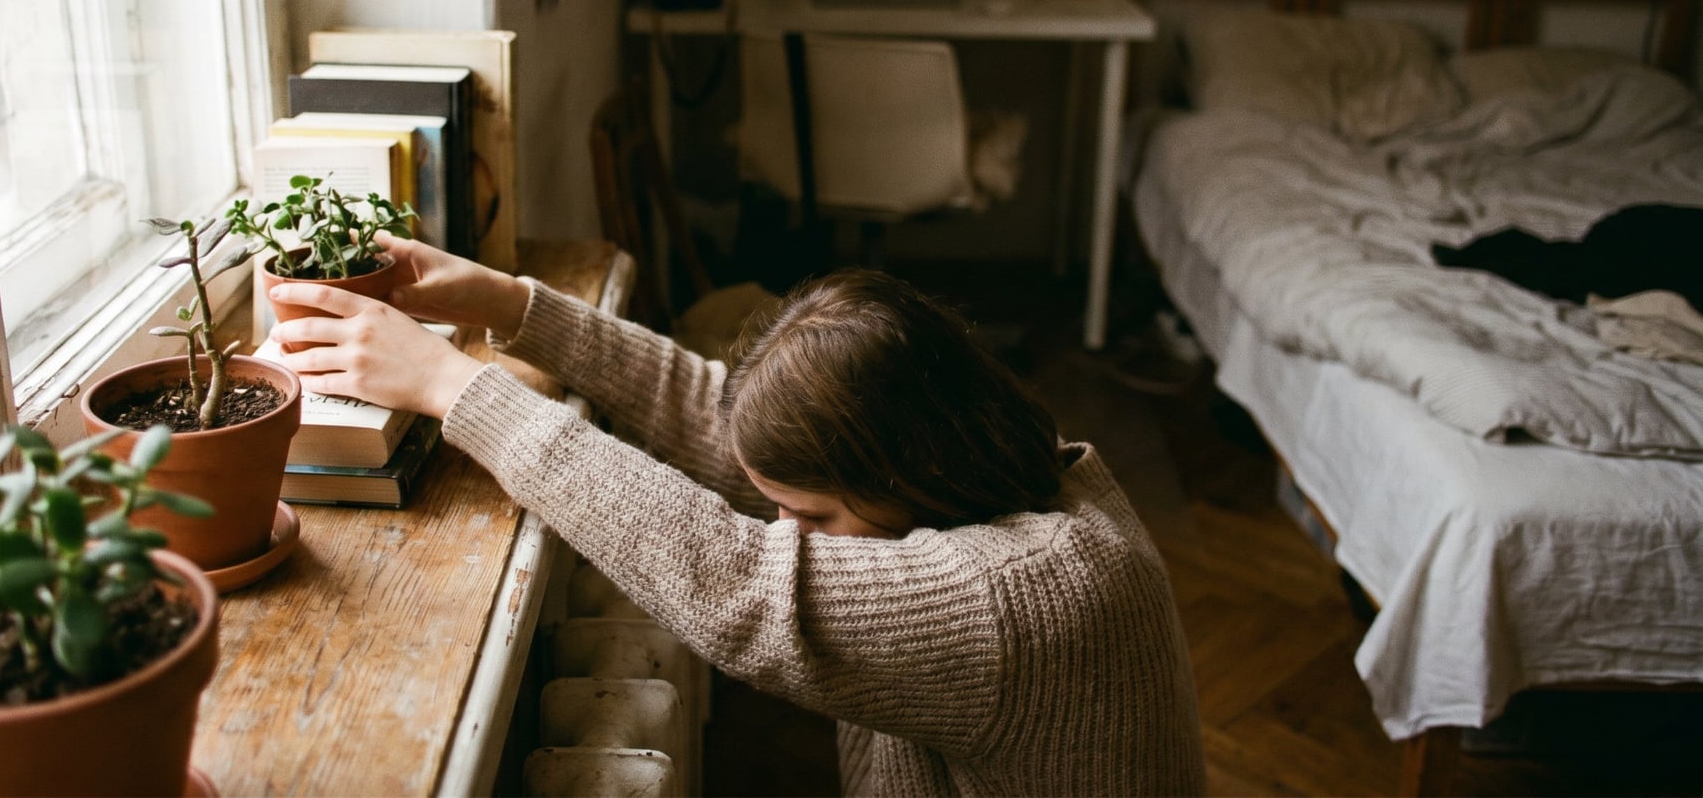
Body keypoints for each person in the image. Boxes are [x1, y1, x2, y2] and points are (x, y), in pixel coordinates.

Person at [270, 236, 1205, 796]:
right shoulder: (980, 475)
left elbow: (737, 584)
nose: (783, 530)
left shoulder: (1026, 598)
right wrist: (509, 303)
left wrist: (452, 386)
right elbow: (713, 417)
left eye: (809, 515)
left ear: (899, 474)